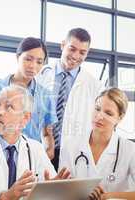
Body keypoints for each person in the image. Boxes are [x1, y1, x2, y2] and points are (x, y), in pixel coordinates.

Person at [0, 37, 57, 159]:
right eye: (28, 59)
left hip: (30, 158)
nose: (33, 66)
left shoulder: (46, 95)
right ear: (18, 57)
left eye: (39, 62)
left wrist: (49, 150)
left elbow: (47, 132)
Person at [59, 88, 135, 199]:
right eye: (97, 109)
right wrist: (82, 191)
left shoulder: (129, 149)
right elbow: (60, 188)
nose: (99, 116)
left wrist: (108, 196)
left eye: (108, 113)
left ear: (119, 118)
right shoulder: (71, 146)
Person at [37, 28, 103, 171]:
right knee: (39, 192)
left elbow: (97, 122)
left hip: (72, 152)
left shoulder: (94, 85)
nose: (75, 56)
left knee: (69, 192)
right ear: (62, 45)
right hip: (40, 149)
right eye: (72, 49)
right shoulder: (40, 76)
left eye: (82, 52)